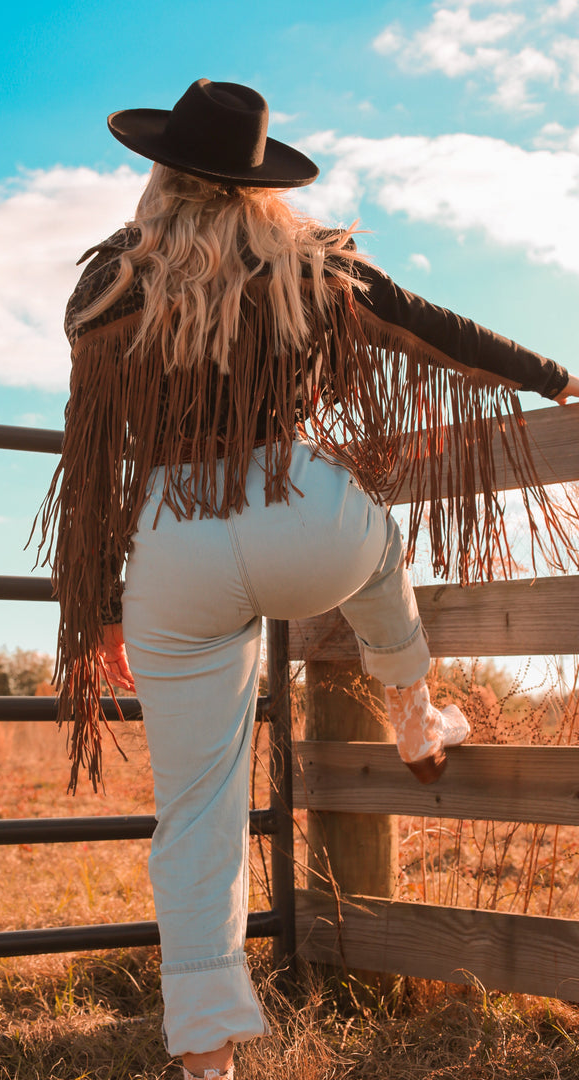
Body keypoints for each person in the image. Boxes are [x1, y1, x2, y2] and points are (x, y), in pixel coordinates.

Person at [35, 80, 579, 1080]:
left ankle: (207, 1054)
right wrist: (556, 376)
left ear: (159, 175)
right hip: (298, 506)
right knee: (376, 545)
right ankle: (415, 711)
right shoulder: (309, 264)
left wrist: (97, 607)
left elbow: (93, 451)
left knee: (196, 811)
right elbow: (437, 329)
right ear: (259, 183)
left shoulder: (107, 287)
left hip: (171, 536)